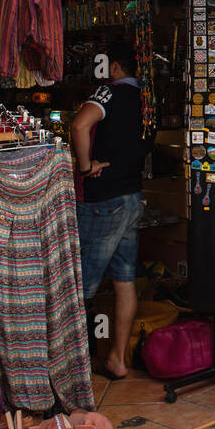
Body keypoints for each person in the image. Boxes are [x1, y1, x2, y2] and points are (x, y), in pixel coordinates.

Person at [72, 41, 150, 380]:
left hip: (104, 200)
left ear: (114, 68)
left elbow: (78, 125)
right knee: (124, 281)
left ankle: (73, 369)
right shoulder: (147, 100)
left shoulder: (108, 93)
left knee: (81, 285)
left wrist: (85, 164)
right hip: (133, 197)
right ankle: (117, 359)